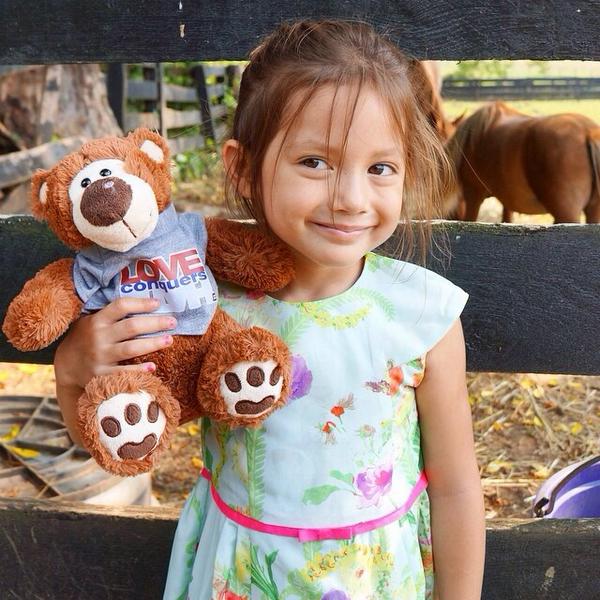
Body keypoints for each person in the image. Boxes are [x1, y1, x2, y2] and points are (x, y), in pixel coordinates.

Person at [54, 19, 485, 600]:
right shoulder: (201, 303)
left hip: (376, 581)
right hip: (238, 576)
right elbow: (114, 442)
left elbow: (456, 489)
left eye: (380, 168)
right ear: (242, 167)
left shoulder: (422, 315)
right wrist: (73, 370)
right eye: (314, 162)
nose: (351, 198)